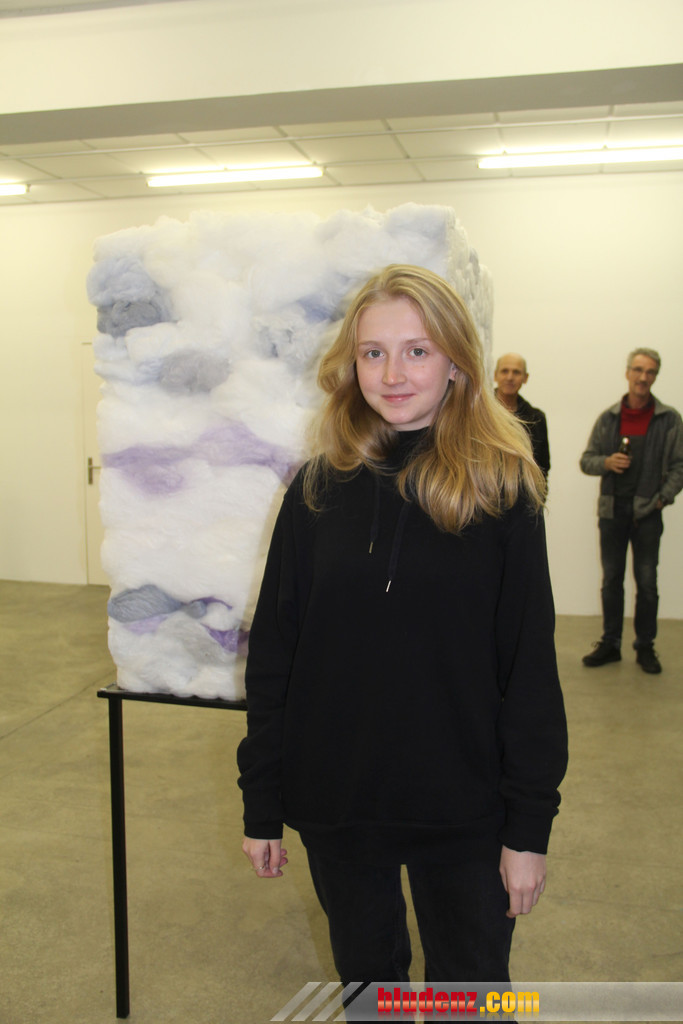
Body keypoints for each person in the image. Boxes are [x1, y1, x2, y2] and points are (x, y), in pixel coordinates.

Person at [237, 265, 568, 988]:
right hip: (340, 802)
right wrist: (261, 800)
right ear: (350, 363)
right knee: (368, 987)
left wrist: (528, 828)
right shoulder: (316, 489)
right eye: (373, 352)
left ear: (456, 363)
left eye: (417, 351)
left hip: (466, 810)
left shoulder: (502, 491)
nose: (391, 374)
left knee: (471, 990)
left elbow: (529, 672)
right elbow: (276, 658)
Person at [580, 348, 683, 674]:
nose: (643, 377)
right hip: (612, 512)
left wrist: (661, 499)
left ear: (655, 376)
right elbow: (587, 461)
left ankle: (645, 646)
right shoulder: (609, 418)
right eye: (638, 370)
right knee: (612, 580)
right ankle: (611, 643)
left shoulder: (669, 419)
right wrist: (607, 462)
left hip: (648, 513)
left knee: (647, 583)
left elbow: (680, 466)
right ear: (627, 373)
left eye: (650, 371)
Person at [494, 353, 550, 479]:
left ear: (525, 378)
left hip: (523, 489)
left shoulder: (536, 418)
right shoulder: (479, 412)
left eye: (516, 372)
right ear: (495, 375)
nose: (510, 377)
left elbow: (542, 467)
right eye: (504, 371)